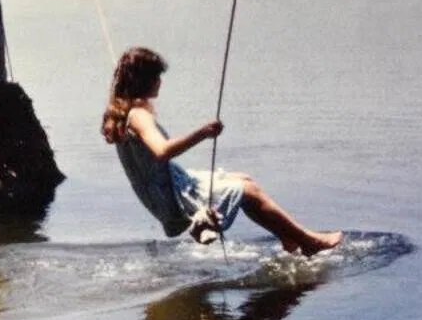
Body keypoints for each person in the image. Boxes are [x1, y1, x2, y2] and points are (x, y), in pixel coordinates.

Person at [101, 47, 343, 256]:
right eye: (156, 76)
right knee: (248, 190)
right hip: (171, 193)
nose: (160, 82)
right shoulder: (139, 115)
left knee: (244, 180)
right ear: (144, 80)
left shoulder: (123, 113)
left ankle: (289, 238)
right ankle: (309, 242)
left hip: (162, 186)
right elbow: (162, 151)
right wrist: (203, 132)